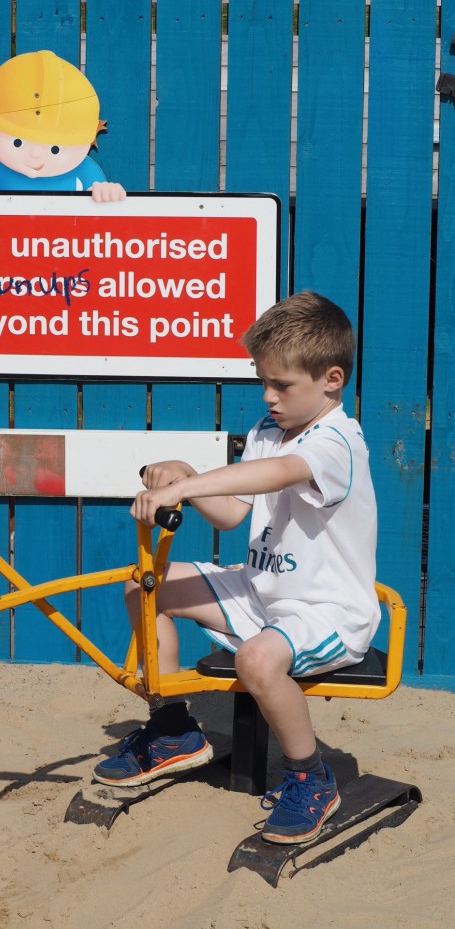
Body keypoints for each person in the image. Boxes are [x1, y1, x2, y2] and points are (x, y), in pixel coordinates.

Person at [93, 291, 380, 845]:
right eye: (262, 381)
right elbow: (230, 516)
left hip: (326, 611)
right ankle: (173, 729)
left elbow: (276, 476)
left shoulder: (339, 442)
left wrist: (186, 485)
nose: (268, 396)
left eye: (282, 385)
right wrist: (187, 474)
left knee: (257, 658)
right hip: (260, 591)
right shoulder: (270, 431)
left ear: (332, 379)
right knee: (144, 592)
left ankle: (311, 777)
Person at [0, 50, 126, 270]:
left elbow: (98, 192)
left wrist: (104, 192)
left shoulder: (81, 167)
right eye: (18, 142)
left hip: (58, 256)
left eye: (55, 148)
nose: (35, 156)